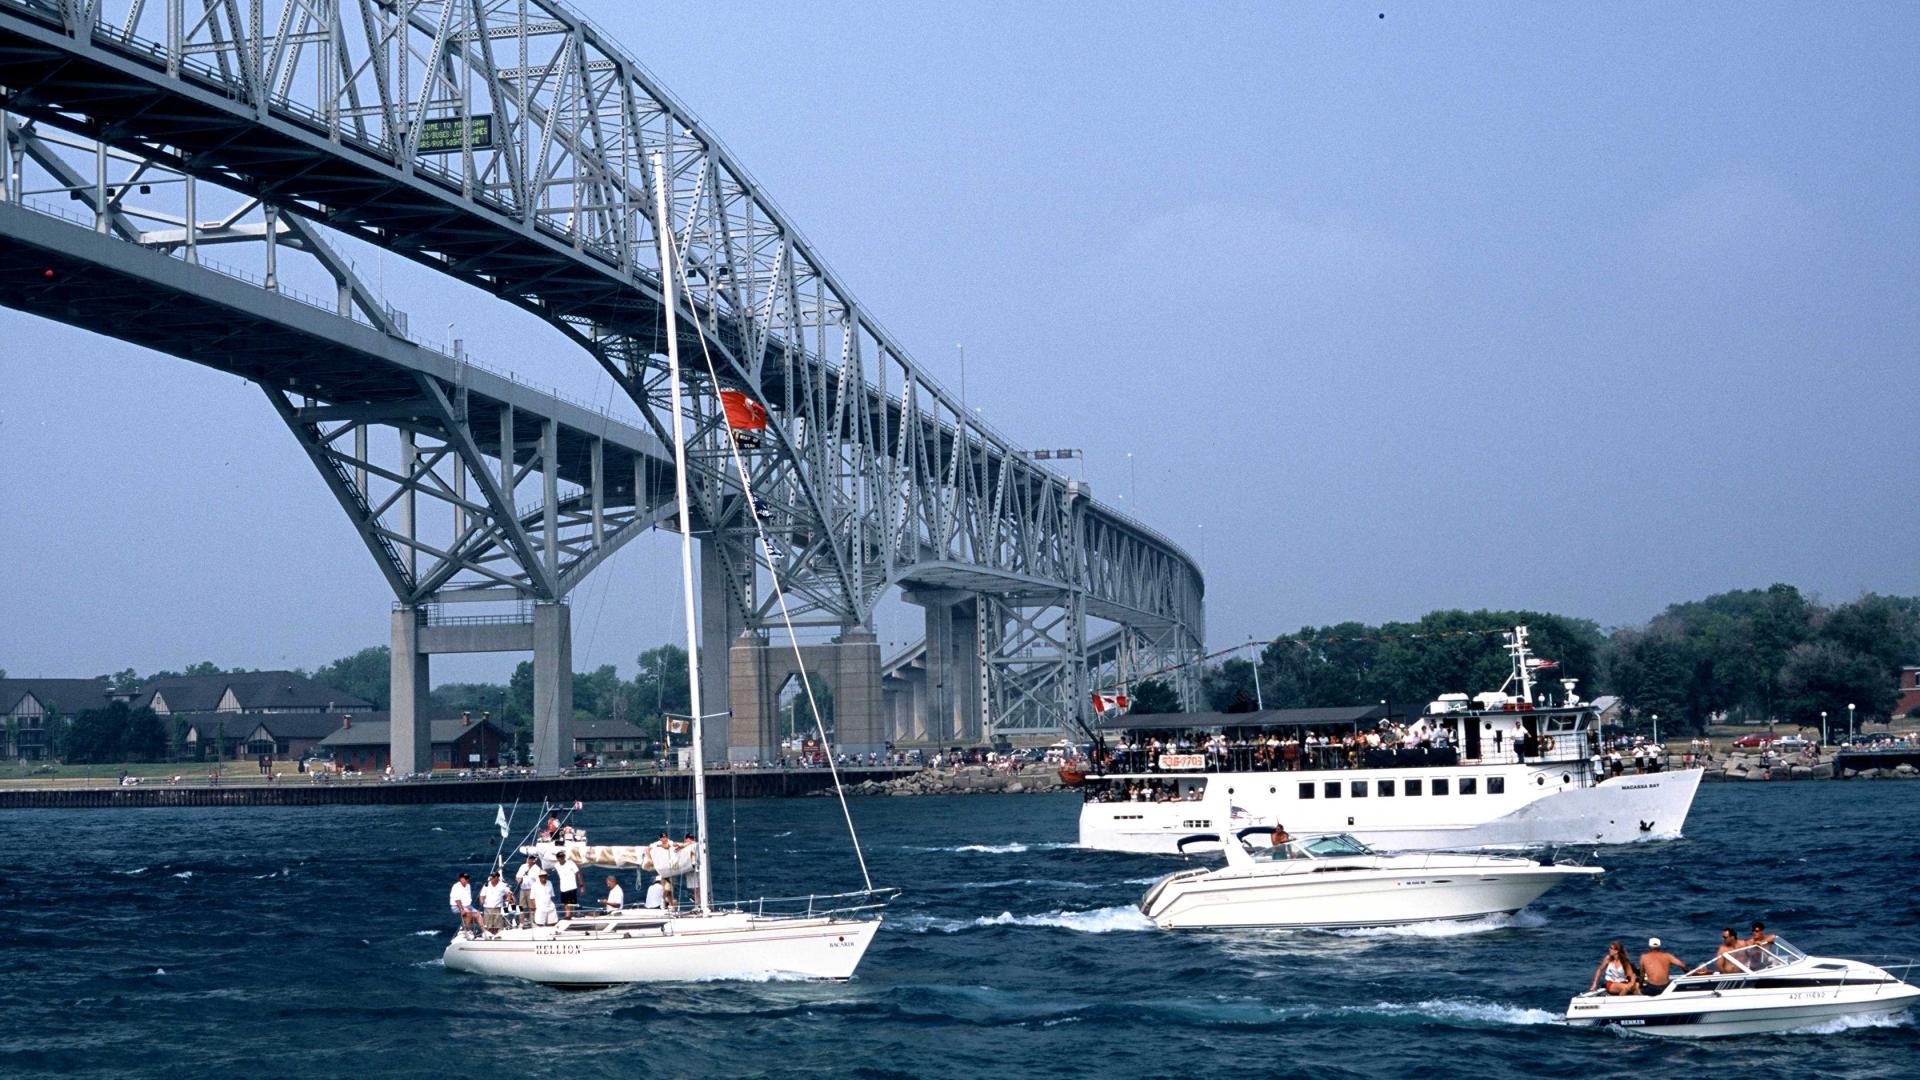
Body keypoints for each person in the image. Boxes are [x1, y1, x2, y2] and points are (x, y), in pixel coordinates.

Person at [478, 871, 514, 937]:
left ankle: (496, 936)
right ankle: (489, 937)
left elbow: (510, 893)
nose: (492, 878)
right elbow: (482, 895)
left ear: (497, 877)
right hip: (487, 908)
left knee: (497, 926)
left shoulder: (502, 885)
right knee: (488, 925)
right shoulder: (486, 885)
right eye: (491, 876)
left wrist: (508, 898)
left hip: (498, 908)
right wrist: (481, 901)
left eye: (493, 877)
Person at [553, 851, 581, 917]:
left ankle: (568, 916)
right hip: (563, 888)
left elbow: (578, 873)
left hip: (572, 887)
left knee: (571, 904)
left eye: (563, 856)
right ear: (557, 858)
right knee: (565, 903)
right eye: (560, 857)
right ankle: (568, 915)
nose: (562, 858)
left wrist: (581, 885)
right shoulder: (556, 865)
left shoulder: (571, 863)